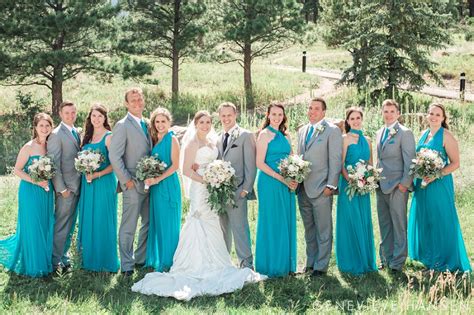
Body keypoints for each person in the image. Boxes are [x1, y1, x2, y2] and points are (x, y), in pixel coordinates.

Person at [132, 111, 266, 301]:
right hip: (200, 188)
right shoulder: (192, 143)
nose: (205, 125)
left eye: (208, 122)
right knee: (198, 220)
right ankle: (194, 264)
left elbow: (217, 162)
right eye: (202, 122)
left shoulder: (214, 141)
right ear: (195, 124)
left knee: (213, 222)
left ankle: (218, 262)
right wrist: (206, 180)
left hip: (212, 188)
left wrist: (216, 177)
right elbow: (186, 170)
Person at [408, 104, 471, 272]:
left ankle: (443, 262)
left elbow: (456, 163)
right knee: (426, 220)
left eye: (438, 114)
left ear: (443, 118)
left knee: (440, 220)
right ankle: (430, 259)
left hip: (439, 184)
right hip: (422, 186)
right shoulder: (424, 134)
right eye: (431, 113)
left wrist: (437, 174)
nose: (434, 117)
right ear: (427, 116)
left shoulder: (447, 136)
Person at [0, 113, 55, 277]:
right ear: (35, 128)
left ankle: (44, 261)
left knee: (45, 225)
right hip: (31, 190)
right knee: (33, 225)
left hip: (46, 190)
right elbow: (17, 170)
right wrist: (36, 181)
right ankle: (34, 267)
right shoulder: (29, 147)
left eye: (47, 126)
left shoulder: (51, 146)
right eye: (41, 126)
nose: (44, 129)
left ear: (51, 127)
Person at [297, 97, 342, 277]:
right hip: (303, 188)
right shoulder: (302, 130)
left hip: (322, 187)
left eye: (316, 109)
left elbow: (336, 158)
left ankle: (321, 266)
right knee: (309, 228)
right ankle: (310, 262)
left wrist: (331, 185)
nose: (312, 111)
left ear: (324, 112)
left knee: (323, 228)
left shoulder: (332, 131)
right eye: (310, 108)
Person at [109, 87, 152, 276]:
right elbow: (115, 156)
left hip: (150, 183)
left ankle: (140, 259)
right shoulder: (122, 125)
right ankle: (126, 265)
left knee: (149, 222)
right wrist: (126, 181)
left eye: (140, 99)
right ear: (126, 103)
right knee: (129, 225)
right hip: (132, 183)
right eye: (133, 100)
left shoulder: (148, 123)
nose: (137, 103)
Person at [255, 103, 298, 277]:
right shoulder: (264, 135)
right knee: (272, 220)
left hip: (287, 183)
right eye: (274, 114)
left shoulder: (286, 136)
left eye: (280, 114)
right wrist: (281, 178)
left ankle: (286, 264)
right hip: (269, 182)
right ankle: (271, 265)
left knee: (285, 220)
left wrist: (294, 176)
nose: (277, 117)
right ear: (268, 115)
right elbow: (259, 163)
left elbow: (292, 158)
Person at [76, 104, 119, 272]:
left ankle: (105, 262)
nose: (96, 119)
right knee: (88, 218)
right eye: (94, 116)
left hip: (104, 183)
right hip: (87, 185)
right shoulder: (85, 137)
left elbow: (115, 164)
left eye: (100, 116)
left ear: (105, 118)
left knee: (103, 218)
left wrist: (97, 175)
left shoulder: (109, 137)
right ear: (90, 118)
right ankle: (87, 260)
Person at [335, 107, 377, 275]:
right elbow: (341, 164)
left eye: (358, 117)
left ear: (362, 119)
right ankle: (350, 261)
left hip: (364, 186)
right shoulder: (344, 139)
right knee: (350, 219)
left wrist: (367, 180)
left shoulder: (367, 139)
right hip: (349, 186)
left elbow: (370, 163)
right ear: (348, 121)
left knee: (363, 219)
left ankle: (366, 260)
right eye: (352, 118)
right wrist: (352, 180)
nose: (355, 121)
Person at [375, 99, 416, 272]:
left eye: (392, 111)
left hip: (398, 186)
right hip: (380, 185)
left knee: (399, 224)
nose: (388, 114)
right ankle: (386, 258)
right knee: (384, 223)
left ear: (398, 113)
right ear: (382, 112)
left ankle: (398, 262)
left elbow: (411, 161)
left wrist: (404, 185)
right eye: (386, 111)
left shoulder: (405, 133)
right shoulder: (379, 132)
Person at [216, 102, 257, 269]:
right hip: (219, 192)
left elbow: (251, 165)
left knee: (240, 229)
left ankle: (246, 264)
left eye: (229, 115)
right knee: (223, 229)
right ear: (219, 117)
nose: (226, 118)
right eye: (223, 115)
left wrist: (245, 189)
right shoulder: (218, 137)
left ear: (235, 115)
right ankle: (225, 262)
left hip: (238, 190)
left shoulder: (245, 135)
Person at [144, 108, 182, 272]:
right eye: (157, 122)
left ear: (169, 122)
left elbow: (175, 165)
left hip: (167, 184)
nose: (160, 125)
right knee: (158, 222)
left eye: (163, 121)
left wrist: (157, 179)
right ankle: (160, 258)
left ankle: (170, 261)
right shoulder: (154, 139)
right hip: (155, 187)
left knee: (169, 223)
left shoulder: (172, 139)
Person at [47, 101, 82, 274]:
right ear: (60, 114)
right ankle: (54, 262)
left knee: (70, 225)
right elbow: (54, 164)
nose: (70, 115)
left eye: (73, 112)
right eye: (67, 113)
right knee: (61, 225)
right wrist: (62, 189)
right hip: (66, 190)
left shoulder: (77, 132)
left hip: (78, 187)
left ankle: (64, 257)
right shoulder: (56, 135)